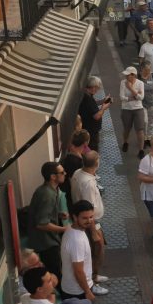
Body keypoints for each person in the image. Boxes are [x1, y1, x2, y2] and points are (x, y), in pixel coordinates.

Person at [70, 151, 108, 287]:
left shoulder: (78, 173)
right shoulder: (88, 184)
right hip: (91, 223)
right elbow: (89, 209)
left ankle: (94, 276)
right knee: (97, 249)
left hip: (85, 220)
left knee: (95, 250)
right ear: (97, 163)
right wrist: (93, 231)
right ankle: (92, 279)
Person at [28, 161, 68, 280]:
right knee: (57, 275)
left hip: (46, 242)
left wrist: (58, 214)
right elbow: (41, 224)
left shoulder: (47, 190)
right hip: (46, 244)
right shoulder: (48, 194)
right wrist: (64, 229)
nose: (65, 174)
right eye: (62, 172)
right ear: (53, 176)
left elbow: (42, 213)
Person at [120, 66, 148, 159]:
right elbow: (122, 97)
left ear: (133, 75)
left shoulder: (140, 83)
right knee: (127, 128)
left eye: (128, 75)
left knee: (140, 129)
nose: (126, 77)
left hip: (138, 108)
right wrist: (134, 95)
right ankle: (125, 142)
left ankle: (141, 150)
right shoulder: (122, 83)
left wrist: (131, 88)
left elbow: (141, 97)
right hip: (126, 109)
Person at [78, 76, 111, 152]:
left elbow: (92, 105)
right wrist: (103, 108)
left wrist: (103, 101)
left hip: (89, 130)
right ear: (93, 87)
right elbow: (96, 116)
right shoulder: (87, 99)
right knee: (93, 151)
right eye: (97, 88)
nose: (97, 90)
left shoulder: (87, 95)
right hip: (91, 132)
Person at [138, 62, 153, 149]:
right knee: (145, 121)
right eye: (147, 70)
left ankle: (149, 139)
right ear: (142, 69)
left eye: (150, 69)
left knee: (152, 122)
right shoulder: (138, 78)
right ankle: (144, 139)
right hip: (142, 104)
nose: (149, 71)